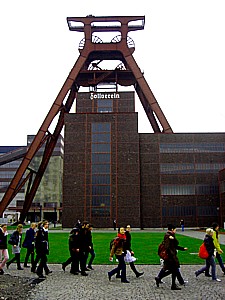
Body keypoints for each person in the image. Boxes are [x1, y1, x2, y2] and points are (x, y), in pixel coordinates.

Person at [155, 224, 188, 290]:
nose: (176, 231)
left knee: (172, 270)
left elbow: (174, 245)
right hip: (170, 257)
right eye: (175, 229)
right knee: (174, 270)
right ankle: (173, 285)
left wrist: (182, 248)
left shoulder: (169, 235)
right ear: (172, 229)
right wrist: (172, 239)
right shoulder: (168, 236)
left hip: (170, 256)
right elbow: (171, 245)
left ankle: (159, 278)